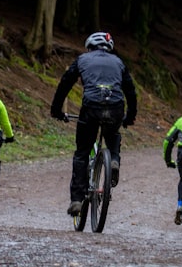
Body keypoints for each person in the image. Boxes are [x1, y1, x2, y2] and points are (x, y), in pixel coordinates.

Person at [50, 31, 137, 217]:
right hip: (115, 107)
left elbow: (65, 83)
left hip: (91, 107)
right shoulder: (118, 62)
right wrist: (130, 116)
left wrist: (56, 110)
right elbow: (130, 90)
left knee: (82, 153)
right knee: (112, 134)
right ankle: (114, 160)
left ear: (90, 46)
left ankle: (77, 200)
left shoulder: (82, 59)